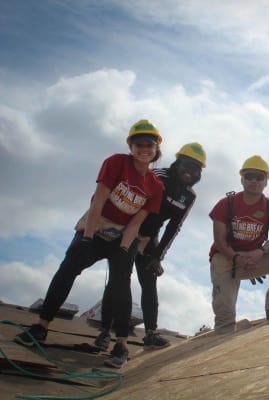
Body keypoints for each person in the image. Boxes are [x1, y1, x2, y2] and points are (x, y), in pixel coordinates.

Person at [14, 119, 164, 369]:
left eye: (149, 145)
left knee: (120, 285)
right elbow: (98, 202)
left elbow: (137, 222)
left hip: (123, 235)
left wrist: (124, 249)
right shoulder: (116, 162)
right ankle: (40, 327)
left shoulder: (155, 186)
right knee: (68, 269)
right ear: (131, 146)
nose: (144, 149)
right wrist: (87, 238)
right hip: (97, 224)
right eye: (139, 144)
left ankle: (121, 345)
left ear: (156, 150)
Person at [94, 142, 206, 351]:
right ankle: (104, 332)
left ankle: (151, 333)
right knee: (119, 281)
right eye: (187, 165)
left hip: (149, 238)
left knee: (149, 283)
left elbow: (174, 227)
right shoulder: (158, 176)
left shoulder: (189, 196)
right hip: (128, 231)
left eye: (196, 169)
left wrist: (158, 256)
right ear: (177, 162)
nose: (190, 171)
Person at [208, 155, 269, 334]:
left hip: (254, 256)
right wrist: (237, 258)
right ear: (242, 179)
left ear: (266, 182)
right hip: (226, 259)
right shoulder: (226, 204)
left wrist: (259, 253)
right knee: (225, 316)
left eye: (259, 177)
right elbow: (219, 240)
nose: (254, 181)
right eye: (249, 176)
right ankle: (223, 335)